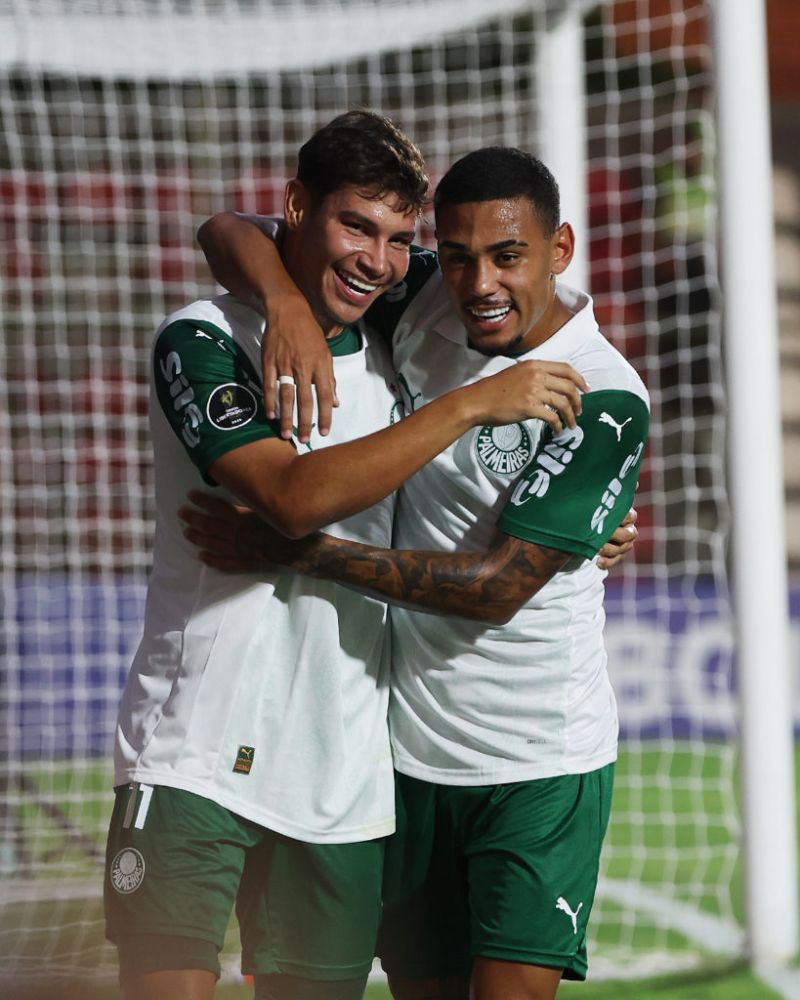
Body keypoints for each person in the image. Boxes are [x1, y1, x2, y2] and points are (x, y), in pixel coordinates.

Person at [104, 113, 596, 1000]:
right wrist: (465, 407)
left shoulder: (395, 343)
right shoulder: (204, 339)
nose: (379, 258)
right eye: (356, 226)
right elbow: (289, 500)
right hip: (195, 751)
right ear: (296, 206)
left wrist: (584, 524)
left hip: (340, 779)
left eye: (401, 238)